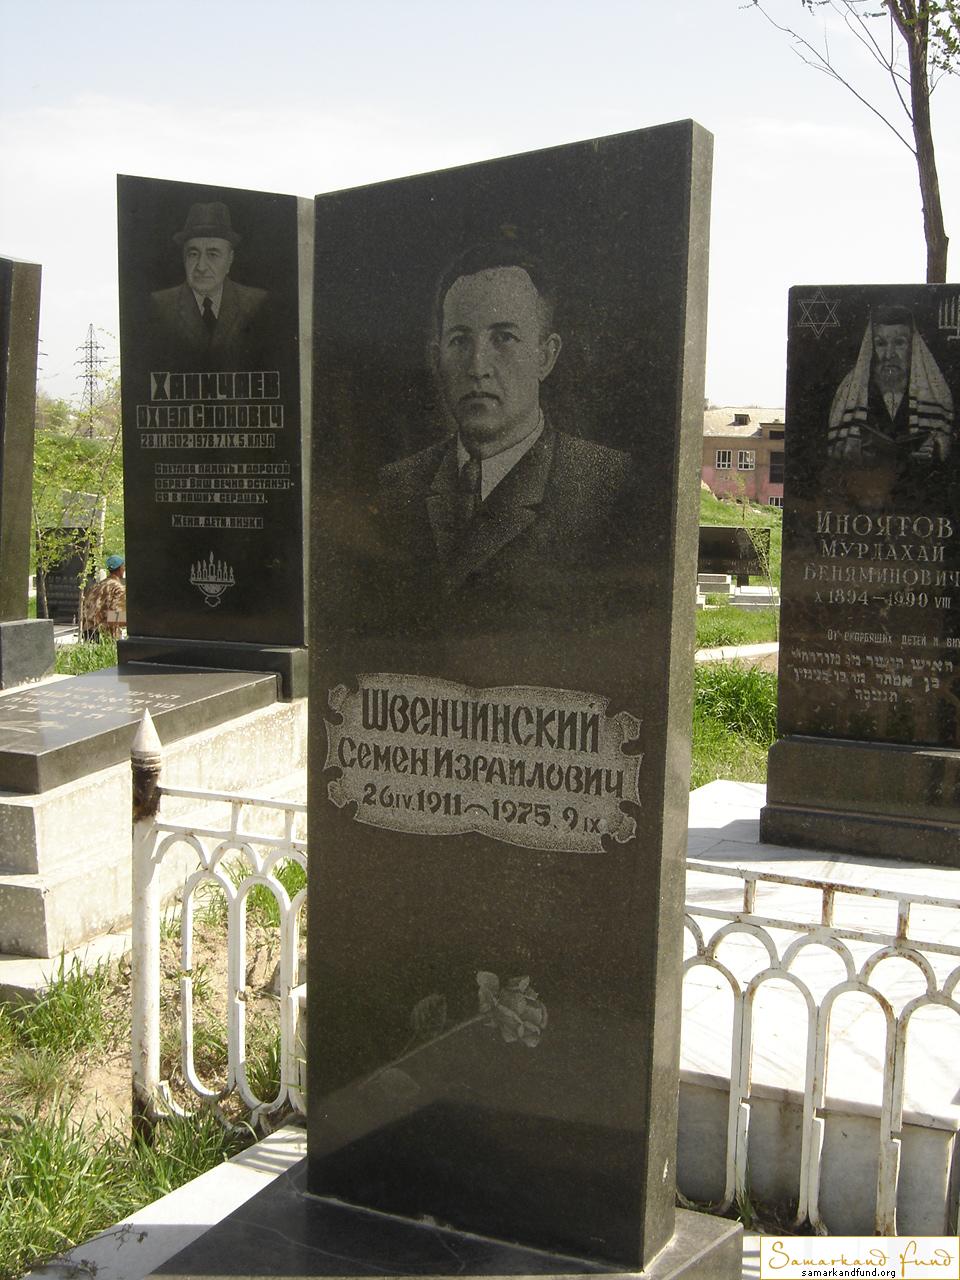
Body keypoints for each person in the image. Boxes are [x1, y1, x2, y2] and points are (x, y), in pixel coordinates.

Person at [377, 242, 638, 633]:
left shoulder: (608, 483)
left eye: (503, 338)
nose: (477, 367)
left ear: (545, 356)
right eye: (459, 340)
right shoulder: (396, 487)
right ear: (436, 357)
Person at [827, 305, 953, 467]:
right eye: (880, 344)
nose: (889, 355)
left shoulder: (936, 391)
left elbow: (944, 446)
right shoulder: (849, 392)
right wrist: (853, 450)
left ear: (913, 347)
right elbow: (836, 452)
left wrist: (933, 449)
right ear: (871, 348)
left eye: (899, 343)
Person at [149, 202, 269, 369]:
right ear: (184, 258)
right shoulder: (160, 304)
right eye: (193, 254)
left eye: (213, 254)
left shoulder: (256, 302)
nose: (201, 267)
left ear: (230, 259)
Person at [81, 554, 126, 640]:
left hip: (88, 633)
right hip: (106, 635)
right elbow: (118, 616)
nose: (124, 569)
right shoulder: (118, 588)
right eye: (123, 566)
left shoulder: (95, 586)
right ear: (120, 568)